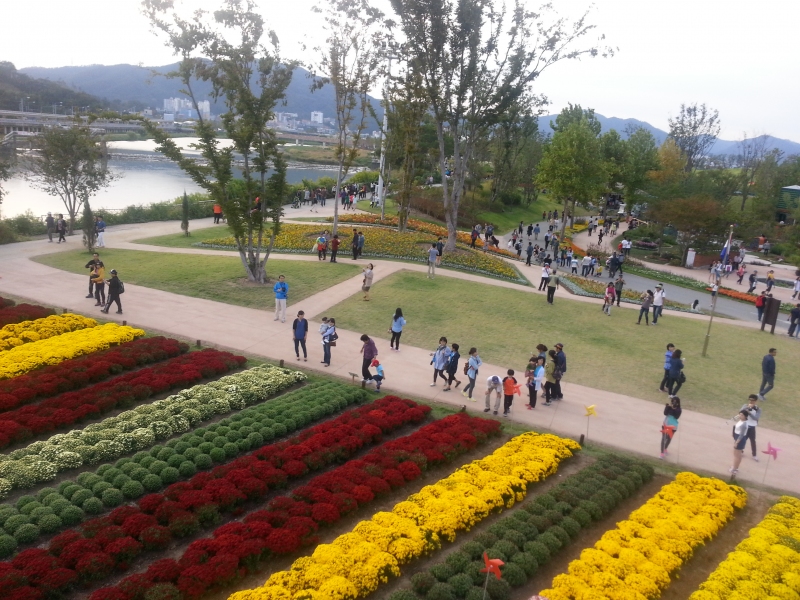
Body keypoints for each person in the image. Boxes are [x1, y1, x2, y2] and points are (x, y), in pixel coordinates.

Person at [739, 394, 761, 461]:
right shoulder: (745, 406)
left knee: (753, 441)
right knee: (743, 439)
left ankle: (754, 455)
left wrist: (749, 413)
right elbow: (740, 412)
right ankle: (740, 451)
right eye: (750, 400)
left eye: (753, 400)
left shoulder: (758, 409)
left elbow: (756, 418)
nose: (751, 401)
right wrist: (747, 408)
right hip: (745, 425)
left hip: (752, 426)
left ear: (755, 401)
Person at [730, 410, 750, 476]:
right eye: (740, 414)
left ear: (745, 416)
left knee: (737, 455)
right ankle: (735, 467)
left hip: (740, 439)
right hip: (737, 437)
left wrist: (736, 442)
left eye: (742, 415)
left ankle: (734, 469)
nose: (740, 416)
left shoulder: (744, 424)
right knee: (736, 454)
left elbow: (741, 435)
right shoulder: (741, 421)